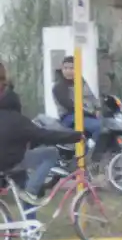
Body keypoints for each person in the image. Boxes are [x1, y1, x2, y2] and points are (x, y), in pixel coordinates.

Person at [0, 64, 83, 215]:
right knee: (50, 153)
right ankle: (31, 195)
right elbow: (43, 135)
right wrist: (75, 136)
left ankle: (30, 226)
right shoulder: (17, 119)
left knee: (24, 185)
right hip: (13, 160)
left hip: (10, 160)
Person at [52, 56, 99, 134]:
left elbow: (91, 97)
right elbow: (69, 105)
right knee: (98, 127)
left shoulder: (81, 82)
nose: (68, 71)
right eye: (65, 68)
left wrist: (98, 108)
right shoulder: (59, 87)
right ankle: (95, 146)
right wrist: (90, 113)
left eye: (71, 68)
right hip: (70, 117)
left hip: (87, 116)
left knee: (108, 127)